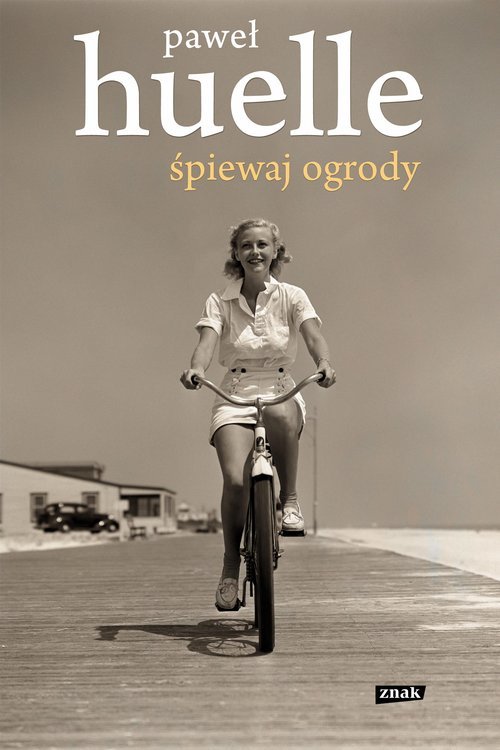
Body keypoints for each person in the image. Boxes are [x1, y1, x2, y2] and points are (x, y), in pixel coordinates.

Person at [180, 219, 336, 610]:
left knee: (282, 415)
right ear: (236, 253)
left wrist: (324, 362)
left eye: (263, 244)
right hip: (234, 391)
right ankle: (230, 566)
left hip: (281, 385)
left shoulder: (293, 296)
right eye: (246, 245)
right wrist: (196, 369)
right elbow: (206, 343)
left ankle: (290, 500)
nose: (255, 252)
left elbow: (313, 335)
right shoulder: (219, 301)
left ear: (275, 251)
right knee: (235, 481)